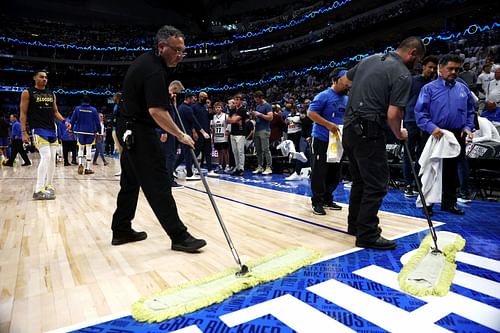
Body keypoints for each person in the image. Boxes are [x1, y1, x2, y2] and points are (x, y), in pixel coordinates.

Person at [111, 25, 206, 253]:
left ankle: (121, 228)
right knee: (159, 182)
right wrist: (181, 135)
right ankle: (179, 236)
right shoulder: (155, 70)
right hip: (138, 130)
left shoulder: (147, 61)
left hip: (127, 127)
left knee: (131, 181)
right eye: (177, 50)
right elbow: (156, 112)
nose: (180, 56)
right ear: (162, 47)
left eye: (184, 51)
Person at [342, 37, 425, 250]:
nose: (416, 65)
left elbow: (344, 81)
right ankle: (368, 234)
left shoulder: (370, 59)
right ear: (413, 53)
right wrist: (399, 133)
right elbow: (393, 114)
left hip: (350, 127)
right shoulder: (402, 74)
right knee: (377, 184)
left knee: (360, 181)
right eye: (418, 61)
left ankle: (356, 226)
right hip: (369, 129)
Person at [415, 54, 476, 215]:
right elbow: (420, 113)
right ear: (440, 69)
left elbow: (471, 111)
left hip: (456, 134)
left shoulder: (463, 88)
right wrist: (431, 128)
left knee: (452, 170)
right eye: (450, 68)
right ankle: (426, 203)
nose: (454, 72)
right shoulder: (428, 89)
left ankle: (450, 202)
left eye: (457, 69)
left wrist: (468, 127)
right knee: (430, 169)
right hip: (434, 133)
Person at [20, 70, 71, 200]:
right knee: (46, 157)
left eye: (46, 77)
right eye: (41, 77)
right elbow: (23, 113)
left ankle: (49, 185)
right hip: (38, 129)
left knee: (52, 159)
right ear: (34, 78)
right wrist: (23, 132)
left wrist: (65, 121)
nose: (44, 79)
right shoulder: (28, 93)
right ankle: (38, 189)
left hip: (51, 130)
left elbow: (55, 112)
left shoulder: (51, 94)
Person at [307, 67, 350, 215]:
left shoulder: (347, 99)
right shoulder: (323, 96)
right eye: (345, 81)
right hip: (321, 139)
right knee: (320, 171)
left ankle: (327, 198)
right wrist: (328, 124)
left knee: (335, 172)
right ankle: (317, 201)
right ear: (334, 80)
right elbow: (311, 113)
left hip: (338, 142)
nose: (348, 84)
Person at [401, 55, 438, 197]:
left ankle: (418, 184)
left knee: (423, 154)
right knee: (409, 155)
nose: (432, 70)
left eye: (435, 68)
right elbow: (402, 101)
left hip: (427, 123)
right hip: (411, 121)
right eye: (430, 67)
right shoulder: (412, 81)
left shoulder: (435, 84)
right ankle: (408, 184)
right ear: (423, 67)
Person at [70, 96, 100, 175]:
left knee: (80, 148)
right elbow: (97, 122)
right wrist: (99, 131)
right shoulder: (93, 110)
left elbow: (72, 120)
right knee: (89, 149)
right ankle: (88, 168)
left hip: (80, 131)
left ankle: (80, 164)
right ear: (89, 102)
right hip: (90, 132)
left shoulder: (77, 109)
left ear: (82, 101)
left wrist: (71, 129)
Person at [251, 90, 273, 175]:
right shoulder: (257, 106)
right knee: (258, 150)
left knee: (266, 149)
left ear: (261, 98)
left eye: (256, 99)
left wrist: (259, 114)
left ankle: (269, 167)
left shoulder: (267, 106)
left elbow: (270, 117)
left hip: (265, 130)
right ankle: (260, 166)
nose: (256, 101)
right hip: (257, 129)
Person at [228, 94, 248, 176]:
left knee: (240, 151)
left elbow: (232, 120)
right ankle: (237, 167)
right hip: (233, 133)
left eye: (238, 99)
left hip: (240, 133)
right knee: (235, 152)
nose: (236, 101)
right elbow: (228, 120)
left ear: (241, 101)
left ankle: (241, 168)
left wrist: (233, 120)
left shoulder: (242, 110)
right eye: (235, 99)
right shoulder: (232, 110)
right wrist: (234, 120)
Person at [211, 101, 230, 173]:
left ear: (221, 108)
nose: (217, 109)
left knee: (225, 151)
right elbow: (213, 128)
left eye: (219, 107)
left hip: (224, 136)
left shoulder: (225, 115)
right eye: (216, 107)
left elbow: (229, 124)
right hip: (217, 136)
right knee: (219, 152)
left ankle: (227, 165)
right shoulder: (214, 117)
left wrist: (227, 132)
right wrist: (212, 137)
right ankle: (220, 165)